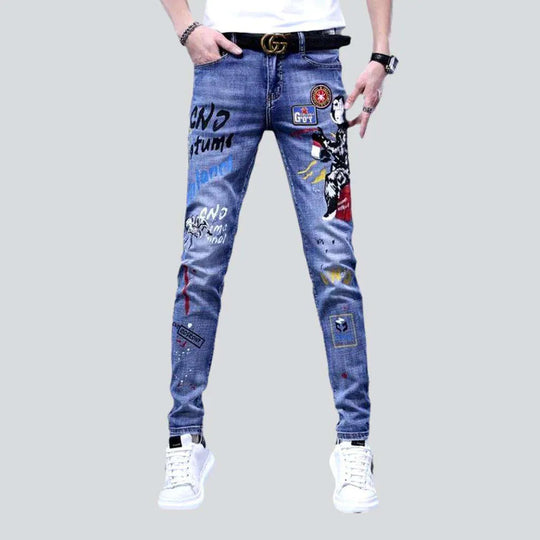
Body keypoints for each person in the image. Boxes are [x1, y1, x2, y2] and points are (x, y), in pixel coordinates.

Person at [157, 0, 397, 513]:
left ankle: (354, 443)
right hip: (225, 68)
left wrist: (381, 53)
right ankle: (185, 438)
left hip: (315, 68)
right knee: (201, 260)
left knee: (334, 262)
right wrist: (185, 27)